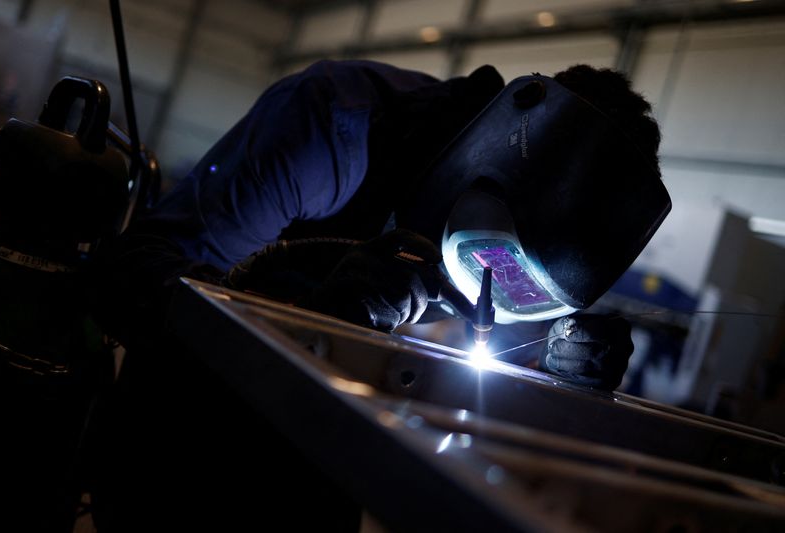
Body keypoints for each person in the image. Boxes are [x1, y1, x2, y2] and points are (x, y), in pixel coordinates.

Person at [89, 59, 666, 531]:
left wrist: (564, 375)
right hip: (175, 450)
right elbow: (130, 271)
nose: (493, 282)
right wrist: (317, 320)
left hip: (315, 466)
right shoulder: (334, 125)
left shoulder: (526, 247)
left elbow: (492, 373)